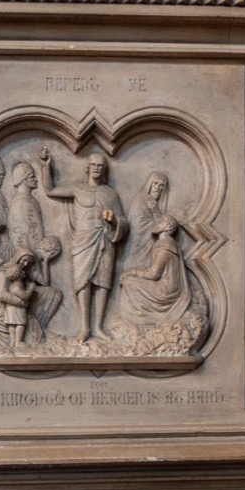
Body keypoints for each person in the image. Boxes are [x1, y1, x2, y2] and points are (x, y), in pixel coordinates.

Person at [40, 146, 127, 343]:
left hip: (104, 239)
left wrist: (114, 220)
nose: (96, 168)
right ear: (88, 168)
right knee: (83, 281)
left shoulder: (111, 194)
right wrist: (46, 167)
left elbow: (124, 221)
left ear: (104, 170)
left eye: (100, 166)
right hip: (83, 240)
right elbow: (50, 190)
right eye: (93, 165)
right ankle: (84, 328)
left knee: (103, 283)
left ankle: (98, 327)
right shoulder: (78, 189)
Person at [120, 215, 192, 327]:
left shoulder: (166, 245)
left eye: (160, 222)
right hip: (167, 286)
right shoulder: (166, 243)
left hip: (166, 290)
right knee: (130, 280)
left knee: (129, 282)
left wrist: (132, 271)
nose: (156, 224)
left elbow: (154, 274)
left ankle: (139, 319)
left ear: (168, 227)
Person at [0, 248, 38, 348]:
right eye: (24, 260)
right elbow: (2, 294)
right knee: (21, 323)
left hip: (13, 307)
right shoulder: (2, 273)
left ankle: (15, 342)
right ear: (17, 258)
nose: (26, 264)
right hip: (2, 310)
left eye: (29, 262)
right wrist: (21, 302)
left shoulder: (19, 274)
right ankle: (17, 342)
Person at [125, 172, 168, 270]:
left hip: (151, 246)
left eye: (161, 185)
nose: (157, 187)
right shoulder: (140, 199)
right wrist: (156, 217)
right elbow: (138, 223)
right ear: (150, 184)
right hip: (139, 244)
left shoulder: (155, 204)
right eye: (155, 183)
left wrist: (156, 212)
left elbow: (164, 228)